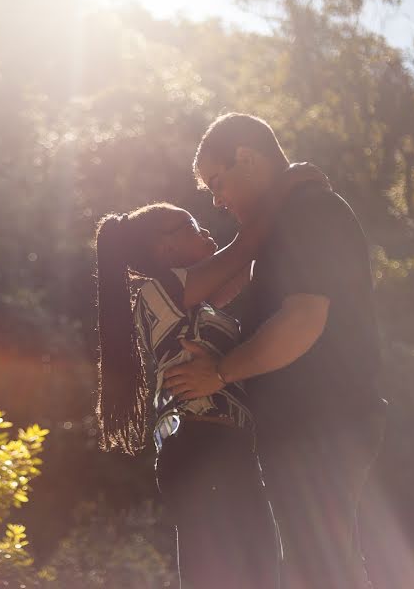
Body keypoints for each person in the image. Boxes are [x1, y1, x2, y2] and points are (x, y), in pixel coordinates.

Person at [164, 113, 387, 589]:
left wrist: (218, 372)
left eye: (218, 183)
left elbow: (303, 321)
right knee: (322, 564)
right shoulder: (285, 222)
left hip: (323, 423)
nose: (219, 201)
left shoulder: (311, 213)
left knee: (321, 566)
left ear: (247, 157)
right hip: (306, 425)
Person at [94, 183, 315, 587]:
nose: (207, 231)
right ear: (167, 250)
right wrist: (289, 186)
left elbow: (246, 264)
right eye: (191, 225)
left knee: (258, 572)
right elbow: (245, 248)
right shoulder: (156, 292)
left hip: (229, 448)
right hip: (200, 445)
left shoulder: (200, 303)